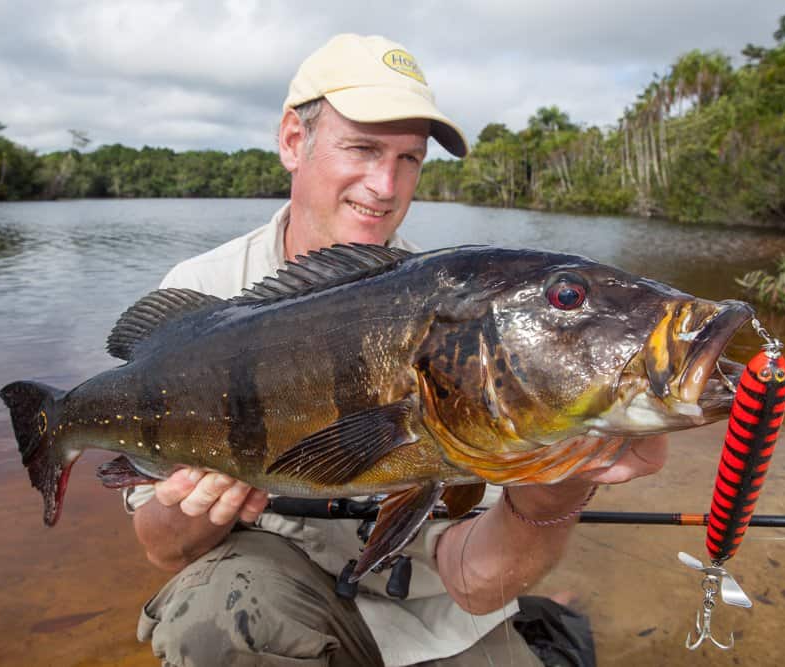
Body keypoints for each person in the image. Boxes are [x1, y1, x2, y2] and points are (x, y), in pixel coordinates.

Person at [127, 34, 668, 667]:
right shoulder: (203, 300)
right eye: (362, 148)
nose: (385, 185)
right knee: (211, 613)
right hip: (277, 602)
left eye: (409, 159)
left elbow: (474, 581)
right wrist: (198, 514)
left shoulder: (473, 317)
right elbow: (163, 550)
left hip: (433, 621)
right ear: (293, 141)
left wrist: (557, 490)